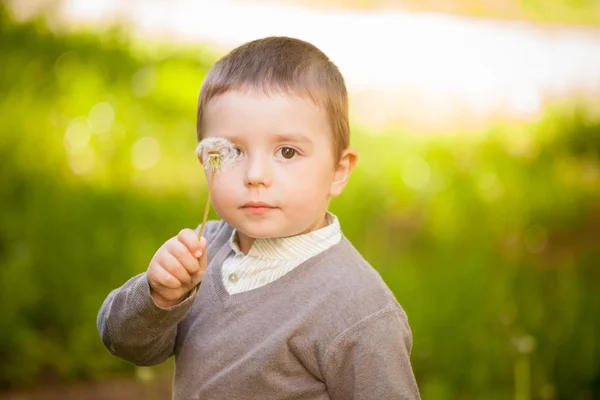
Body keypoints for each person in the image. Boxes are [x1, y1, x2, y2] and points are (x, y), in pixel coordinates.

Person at [97, 36, 420, 399]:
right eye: (232, 150)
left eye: (286, 151)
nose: (255, 175)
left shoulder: (359, 311)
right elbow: (124, 342)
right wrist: (161, 297)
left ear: (338, 170)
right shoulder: (203, 254)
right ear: (206, 161)